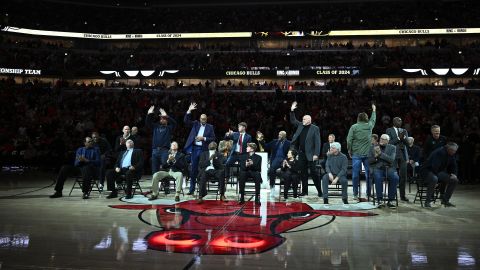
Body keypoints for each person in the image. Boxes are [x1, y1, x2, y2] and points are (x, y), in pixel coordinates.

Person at [290, 101, 322, 197]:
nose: (302, 120)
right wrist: (292, 110)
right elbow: (293, 121)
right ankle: (305, 191)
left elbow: (318, 142)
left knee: (314, 173)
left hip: (311, 154)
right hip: (301, 153)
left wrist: (316, 154)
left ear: (309, 120)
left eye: (304, 119)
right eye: (302, 119)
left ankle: (319, 191)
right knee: (303, 173)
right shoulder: (300, 125)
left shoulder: (315, 128)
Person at [183, 102, 216, 195]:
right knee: (193, 169)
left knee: (202, 170)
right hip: (195, 149)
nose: (203, 120)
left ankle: (202, 190)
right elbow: (186, 121)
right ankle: (191, 189)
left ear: (206, 119)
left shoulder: (210, 127)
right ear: (199, 119)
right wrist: (189, 110)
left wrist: (204, 138)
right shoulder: (195, 124)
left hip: (204, 150)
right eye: (202, 119)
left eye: (205, 119)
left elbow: (213, 138)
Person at [347, 103, 376, 200]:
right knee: (368, 174)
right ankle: (368, 194)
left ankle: (355, 194)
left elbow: (349, 140)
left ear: (358, 118)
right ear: (366, 118)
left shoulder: (354, 127)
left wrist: (349, 150)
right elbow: (373, 120)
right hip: (367, 154)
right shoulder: (369, 126)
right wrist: (374, 110)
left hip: (356, 154)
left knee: (355, 174)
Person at [419, 142, 459, 208]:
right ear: (449, 149)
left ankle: (445, 200)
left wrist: (454, 174)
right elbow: (434, 167)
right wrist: (438, 180)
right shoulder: (440, 152)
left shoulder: (451, 153)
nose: (454, 152)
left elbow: (454, 165)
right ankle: (427, 202)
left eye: (455, 151)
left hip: (438, 171)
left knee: (454, 180)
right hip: (427, 170)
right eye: (454, 151)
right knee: (434, 179)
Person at [368, 134, 399, 209]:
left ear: (388, 141)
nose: (381, 140)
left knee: (395, 177)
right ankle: (380, 199)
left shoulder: (392, 147)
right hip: (377, 167)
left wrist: (380, 154)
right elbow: (369, 161)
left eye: (384, 139)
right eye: (381, 138)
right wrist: (375, 157)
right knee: (378, 177)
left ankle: (391, 200)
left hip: (389, 168)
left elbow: (391, 159)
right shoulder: (373, 147)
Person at [146, 105, 177, 175]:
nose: (162, 120)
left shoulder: (169, 128)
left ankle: (166, 182)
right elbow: (148, 123)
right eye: (161, 119)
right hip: (155, 151)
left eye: (164, 119)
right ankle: (155, 185)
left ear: (166, 120)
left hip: (165, 151)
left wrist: (166, 116)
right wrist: (149, 114)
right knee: (154, 169)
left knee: (165, 165)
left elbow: (175, 123)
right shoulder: (156, 127)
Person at [386, 117, 410, 202]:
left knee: (403, 176)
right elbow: (388, 143)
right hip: (393, 155)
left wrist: (404, 139)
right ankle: (391, 196)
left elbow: (408, 144)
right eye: (398, 120)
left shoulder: (404, 131)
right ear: (393, 122)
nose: (400, 122)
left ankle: (402, 196)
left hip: (403, 155)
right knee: (392, 175)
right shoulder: (389, 130)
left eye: (401, 121)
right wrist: (399, 138)